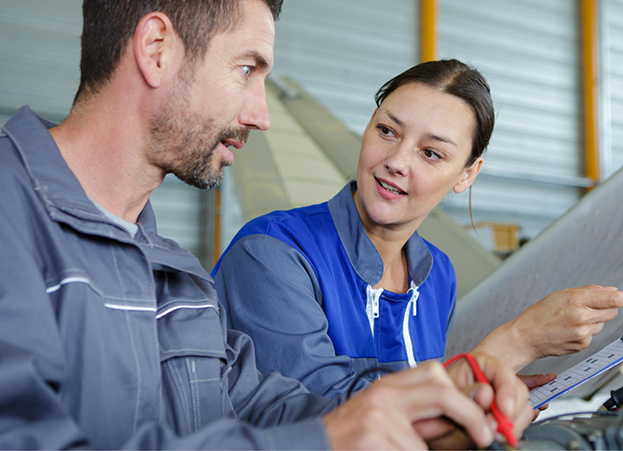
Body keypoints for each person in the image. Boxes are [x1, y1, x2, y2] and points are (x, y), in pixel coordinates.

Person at [0, 1, 536, 449]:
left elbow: (250, 400)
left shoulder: (175, 277)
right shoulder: (12, 220)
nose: (261, 114)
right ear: (156, 49)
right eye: (246, 70)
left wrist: (422, 406)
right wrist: (327, 439)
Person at [212, 59, 623, 398]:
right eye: (387, 130)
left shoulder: (436, 275)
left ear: (466, 175)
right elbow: (320, 417)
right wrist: (518, 342)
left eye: (432, 153)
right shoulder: (272, 253)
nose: (397, 161)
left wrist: (477, 398)